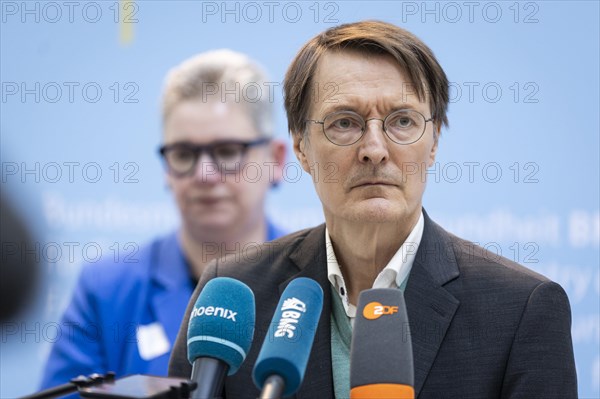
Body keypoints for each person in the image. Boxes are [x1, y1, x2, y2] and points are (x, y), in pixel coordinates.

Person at [168, 21, 577, 398]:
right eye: (344, 123)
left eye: (402, 121)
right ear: (300, 147)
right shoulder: (234, 292)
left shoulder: (522, 308)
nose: (375, 150)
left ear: (433, 142)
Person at [40, 49, 287, 388]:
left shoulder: (317, 286)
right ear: (166, 168)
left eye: (228, 151)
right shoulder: (108, 290)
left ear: (275, 160)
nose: (204, 173)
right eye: (184, 154)